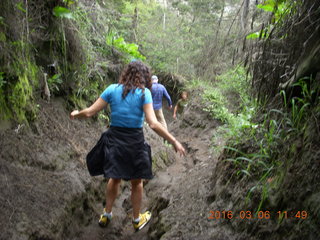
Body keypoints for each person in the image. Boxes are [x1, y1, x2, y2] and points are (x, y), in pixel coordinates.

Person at [70, 61, 185, 231]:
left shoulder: (112, 89)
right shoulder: (144, 93)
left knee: (114, 178)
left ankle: (107, 214)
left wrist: (76, 113)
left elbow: (89, 112)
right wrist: (173, 140)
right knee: (136, 181)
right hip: (134, 142)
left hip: (114, 139)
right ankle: (137, 219)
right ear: (144, 77)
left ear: (126, 73)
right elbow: (153, 123)